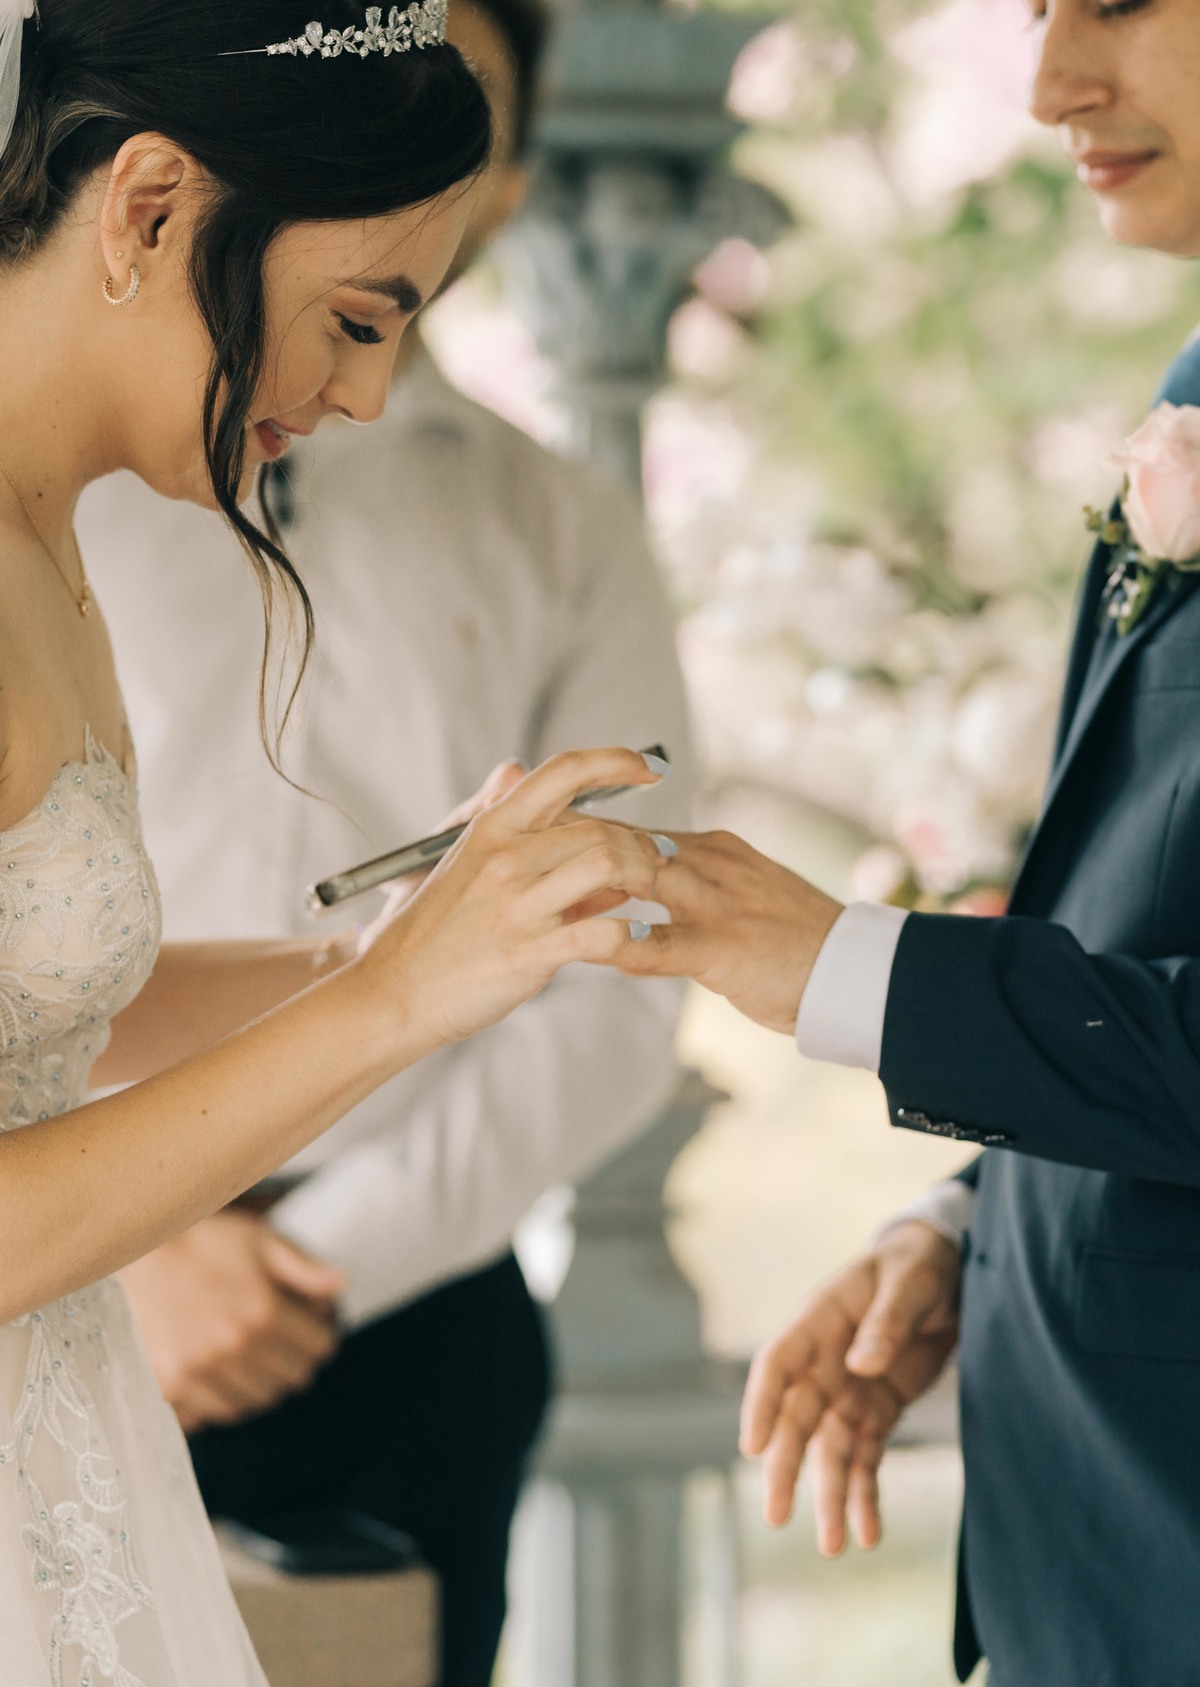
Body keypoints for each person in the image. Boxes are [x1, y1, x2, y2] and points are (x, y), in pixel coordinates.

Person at [0, 2, 671, 1682]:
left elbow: (36, 1008)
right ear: (149, 208)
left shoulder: (54, 535)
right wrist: (396, 1010)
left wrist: (361, 948)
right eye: (354, 320)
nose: (367, 397)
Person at [620, 1, 1200, 1682]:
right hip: (1088, 1564)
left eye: (1116, 1)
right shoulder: (1187, 391)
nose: (1050, 88)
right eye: (1032, 16)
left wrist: (840, 969)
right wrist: (964, 1231)